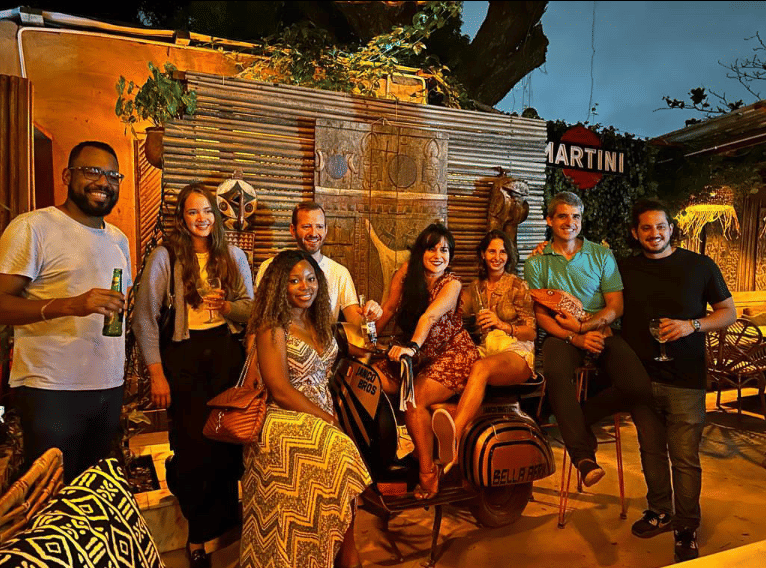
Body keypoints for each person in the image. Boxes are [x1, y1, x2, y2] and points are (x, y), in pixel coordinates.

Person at [133, 183, 253, 568]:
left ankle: (226, 526)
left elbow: (250, 309)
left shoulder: (233, 255)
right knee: (192, 448)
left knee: (227, 444)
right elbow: (144, 318)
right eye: (193, 211)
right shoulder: (165, 257)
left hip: (225, 355)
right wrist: (157, 374)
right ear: (182, 218)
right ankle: (198, 537)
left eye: (207, 211)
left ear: (217, 215)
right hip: (183, 356)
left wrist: (229, 307)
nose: (202, 218)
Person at [0, 141, 131, 483]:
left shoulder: (119, 240)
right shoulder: (34, 227)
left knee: (94, 495)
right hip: (51, 390)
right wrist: (71, 305)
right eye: (92, 171)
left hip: (107, 387)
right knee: (52, 496)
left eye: (112, 175)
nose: (103, 182)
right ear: (67, 176)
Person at [620, 199, 735, 562]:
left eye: (660, 226)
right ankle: (660, 512)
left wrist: (692, 325)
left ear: (671, 229)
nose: (654, 233)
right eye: (646, 227)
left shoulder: (699, 266)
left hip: (685, 379)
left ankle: (686, 526)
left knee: (684, 458)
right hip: (640, 378)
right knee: (651, 452)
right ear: (635, 232)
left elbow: (728, 312)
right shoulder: (623, 268)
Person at [240, 250, 370, 568]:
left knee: (343, 471)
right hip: (283, 417)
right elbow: (280, 390)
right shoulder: (273, 328)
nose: (305, 286)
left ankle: (340, 553)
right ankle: (345, 558)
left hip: (321, 413)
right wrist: (327, 418)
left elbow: (357, 342)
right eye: (295, 280)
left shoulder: (318, 321)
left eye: (311, 279)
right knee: (343, 453)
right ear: (279, 286)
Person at [523, 191, 652, 487]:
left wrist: (587, 327)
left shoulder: (601, 255)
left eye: (576, 216)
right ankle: (583, 458)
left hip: (600, 329)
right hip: (561, 335)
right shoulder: (537, 262)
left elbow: (615, 306)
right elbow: (541, 316)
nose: (570, 222)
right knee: (556, 373)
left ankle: (576, 420)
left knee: (639, 386)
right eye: (563, 216)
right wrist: (575, 337)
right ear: (549, 220)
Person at [374, 223, 480, 498]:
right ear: (421, 251)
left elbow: (429, 317)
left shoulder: (452, 284)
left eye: (444, 250)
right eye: (432, 248)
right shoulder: (406, 274)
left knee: (414, 399)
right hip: (418, 356)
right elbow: (388, 308)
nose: (438, 255)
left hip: (452, 354)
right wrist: (366, 341)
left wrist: (411, 347)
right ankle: (384, 463)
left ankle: (427, 472)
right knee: (368, 380)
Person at [431, 229, 537, 471]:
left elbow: (531, 333)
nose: (497, 257)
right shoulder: (475, 288)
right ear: (482, 254)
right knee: (449, 367)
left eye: (502, 252)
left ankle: (453, 439)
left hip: (516, 350)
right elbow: (453, 312)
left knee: (479, 368)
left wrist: (502, 324)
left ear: (509, 256)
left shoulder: (517, 285)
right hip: (487, 349)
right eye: (492, 251)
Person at [254, 201, 381, 324]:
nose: (313, 233)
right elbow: (259, 316)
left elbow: (355, 320)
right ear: (293, 230)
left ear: (326, 230)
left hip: (324, 338)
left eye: (319, 227)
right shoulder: (270, 267)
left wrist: (370, 313)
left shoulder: (339, 273)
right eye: (306, 226)